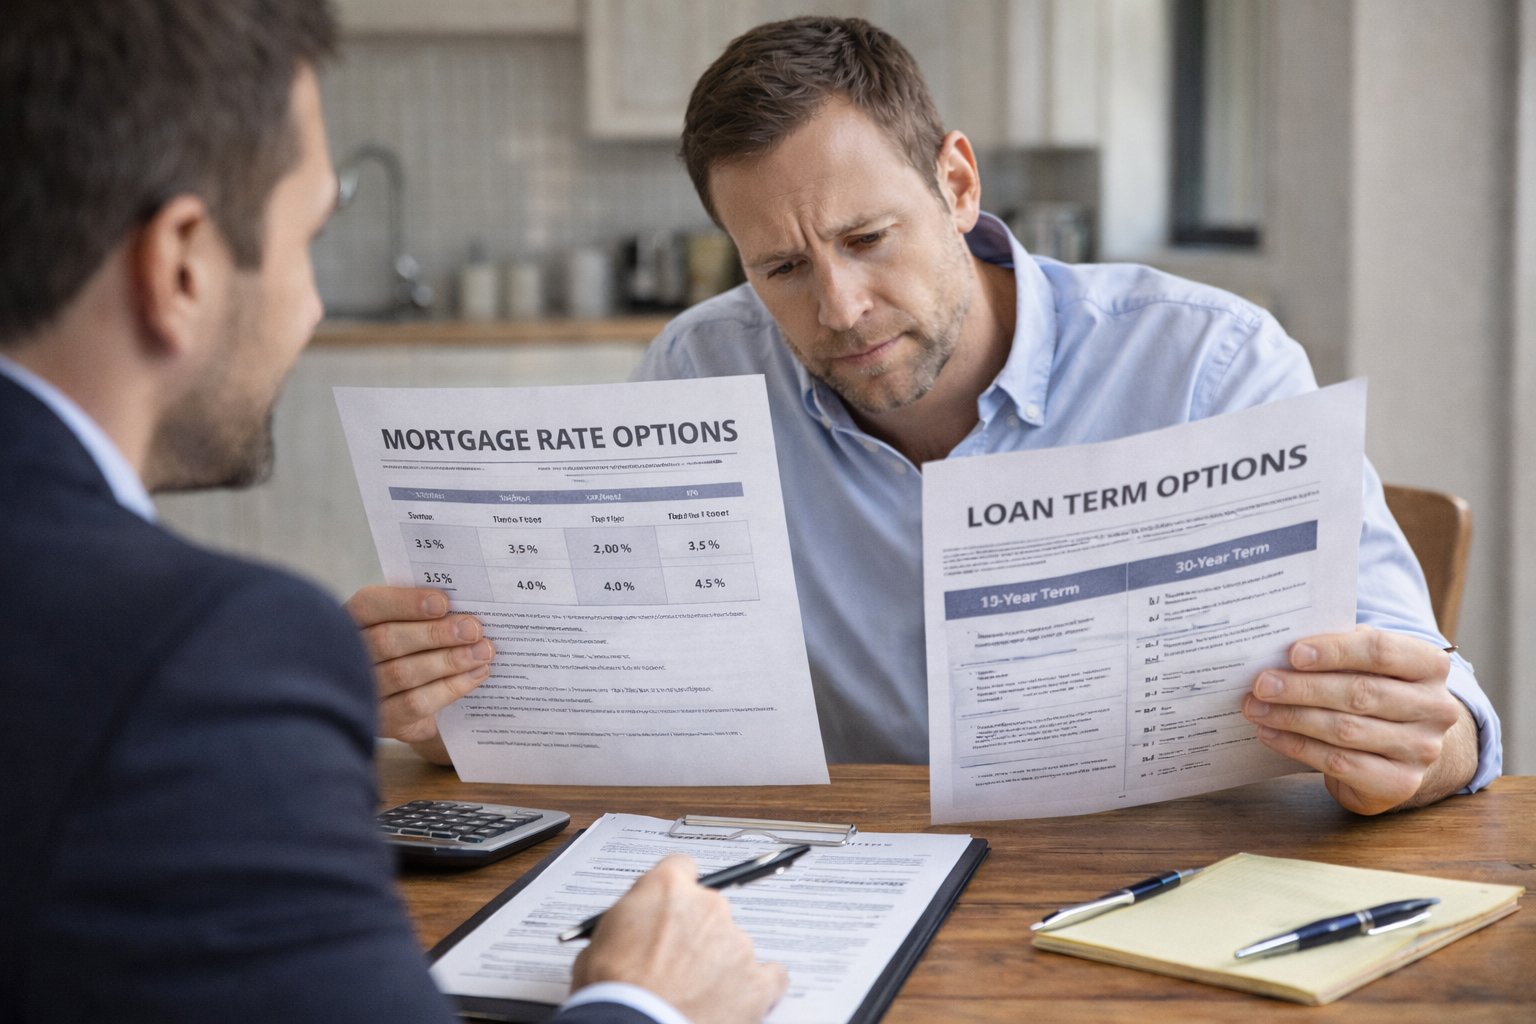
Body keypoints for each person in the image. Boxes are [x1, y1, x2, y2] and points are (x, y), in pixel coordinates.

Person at [353, 16, 1502, 818]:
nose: (839, 309)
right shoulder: (700, 370)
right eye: (781, 268)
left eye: (866, 239)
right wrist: (457, 704)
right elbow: (637, 699)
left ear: (956, 184)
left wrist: (1416, 746)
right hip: (843, 884)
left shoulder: (1214, 361)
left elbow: (1443, 716)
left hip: (1176, 890)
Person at [0, 2, 786, 1022]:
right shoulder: (205, 659)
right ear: (182, 263)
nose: (315, 305)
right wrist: (645, 1003)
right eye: (307, 238)